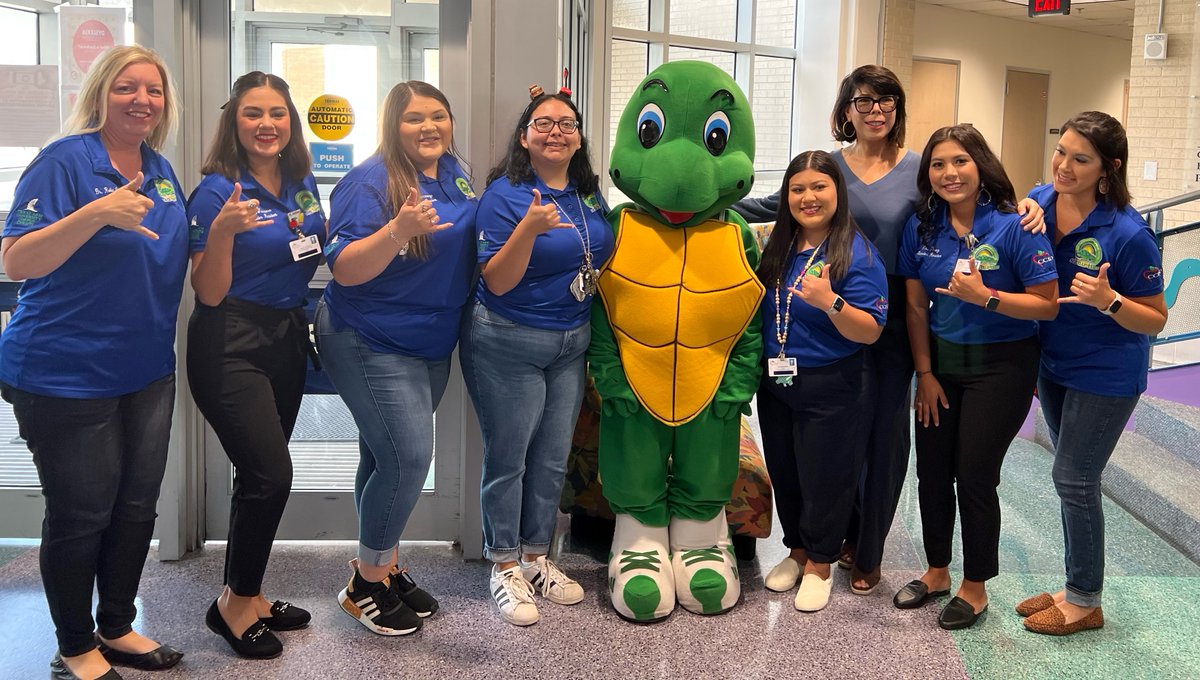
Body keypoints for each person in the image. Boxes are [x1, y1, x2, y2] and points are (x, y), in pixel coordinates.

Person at [734, 65, 1044, 594]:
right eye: (863, 101)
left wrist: (1031, 205)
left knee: (883, 440)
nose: (875, 111)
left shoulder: (922, 168)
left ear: (897, 109)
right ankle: (831, 540)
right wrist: (702, 204)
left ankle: (868, 550)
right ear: (846, 110)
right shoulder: (827, 166)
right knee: (831, 441)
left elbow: (966, 199)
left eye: (885, 102)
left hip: (899, 320)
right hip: (826, 327)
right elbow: (773, 204)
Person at [0, 45, 187, 680]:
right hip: (63, 371)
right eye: (126, 88)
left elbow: (166, 254)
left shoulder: (161, 169)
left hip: (146, 370)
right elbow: (18, 261)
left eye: (153, 91)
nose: (142, 100)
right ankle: (76, 644)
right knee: (82, 511)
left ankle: (117, 626)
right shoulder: (64, 160)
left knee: (137, 506)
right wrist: (95, 214)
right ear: (100, 95)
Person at [315, 81, 476, 636]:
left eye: (438, 115)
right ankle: (364, 585)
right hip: (369, 337)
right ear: (392, 125)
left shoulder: (454, 172)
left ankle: (383, 568)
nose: (428, 127)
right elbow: (345, 268)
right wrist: (397, 230)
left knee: (383, 457)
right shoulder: (369, 182)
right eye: (413, 119)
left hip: (429, 340)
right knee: (408, 457)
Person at [893, 124, 1059, 630]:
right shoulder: (921, 227)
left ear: (980, 164)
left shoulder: (1015, 226)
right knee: (933, 471)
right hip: (942, 363)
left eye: (960, 161)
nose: (950, 173)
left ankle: (975, 585)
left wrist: (985, 296)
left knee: (975, 472)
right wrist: (924, 372)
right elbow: (915, 307)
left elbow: (1047, 305)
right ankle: (938, 570)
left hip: (1003, 364)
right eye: (939, 164)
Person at [461, 88, 613, 626]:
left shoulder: (588, 194)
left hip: (571, 342)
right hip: (509, 338)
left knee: (551, 460)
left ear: (578, 138)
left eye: (567, 124)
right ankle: (502, 565)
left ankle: (535, 558)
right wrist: (528, 229)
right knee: (509, 459)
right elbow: (497, 281)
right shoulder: (505, 195)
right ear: (524, 136)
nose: (556, 131)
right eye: (543, 123)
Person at [186, 71, 324, 658]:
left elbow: (313, 247)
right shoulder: (217, 190)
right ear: (234, 122)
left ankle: (250, 594)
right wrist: (220, 235)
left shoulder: (302, 181)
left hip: (287, 336)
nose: (266, 124)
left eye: (277, 113)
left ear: (290, 122)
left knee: (257, 478)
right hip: (230, 338)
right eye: (252, 114)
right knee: (271, 473)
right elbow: (207, 292)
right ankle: (233, 604)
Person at [1017, 112, 1167, 636]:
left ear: (1109, 168)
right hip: (1053, 362)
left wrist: (1110, 301)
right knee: (1070, 479)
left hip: (1105, 371)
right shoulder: (1043, 197)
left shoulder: (1128, 233)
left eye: (1081, 159)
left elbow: (1155, 317)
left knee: (1074, 479)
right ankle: (1074, 583)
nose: (1064, 166)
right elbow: (1027, 204)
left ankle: (1085, 600)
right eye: (1062, 152)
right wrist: (1027, 205)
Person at [755, 150, 888, 613]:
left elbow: (870, 330)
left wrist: (831, 301)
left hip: (833, 384)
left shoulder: (857, 252)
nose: (808, 197)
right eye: (798, 189)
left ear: (837, 193)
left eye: (819, 187)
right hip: (776, 383)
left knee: (826, 476)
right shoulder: (778, 245)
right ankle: (797, 551)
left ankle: (822, 563)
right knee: (787, 471)